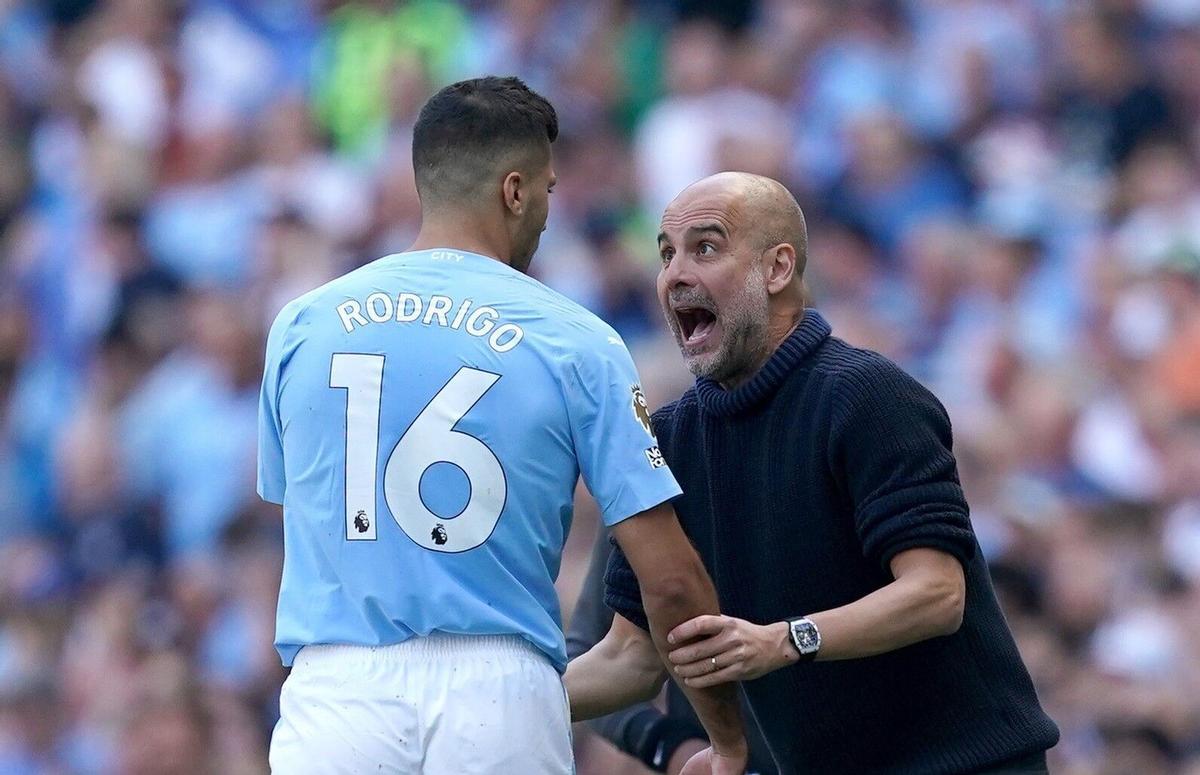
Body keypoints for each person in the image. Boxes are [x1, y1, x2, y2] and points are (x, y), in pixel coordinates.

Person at [257, 78, 746, 774]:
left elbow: (299, 520)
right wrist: (728, 740)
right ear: (514, 191)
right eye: (547, 189)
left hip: (336, 695)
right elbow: (669, 582)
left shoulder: (301, 325)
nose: (548, 212)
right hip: (500, 694)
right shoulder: (577, 341)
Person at [564, 172, 1061, 774]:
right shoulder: (669, 438)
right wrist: (489, 703)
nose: (675, 275)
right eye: (667, 255)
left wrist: (783, 640)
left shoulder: (868, 396)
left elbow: (937, 594)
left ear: (777, 269)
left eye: (706, 248)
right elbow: (629, 658)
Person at [567, 525, 778, 775]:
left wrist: (787, 641)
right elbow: (612, 655)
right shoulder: (648, 504)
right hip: (714, 759)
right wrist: (668, 745)